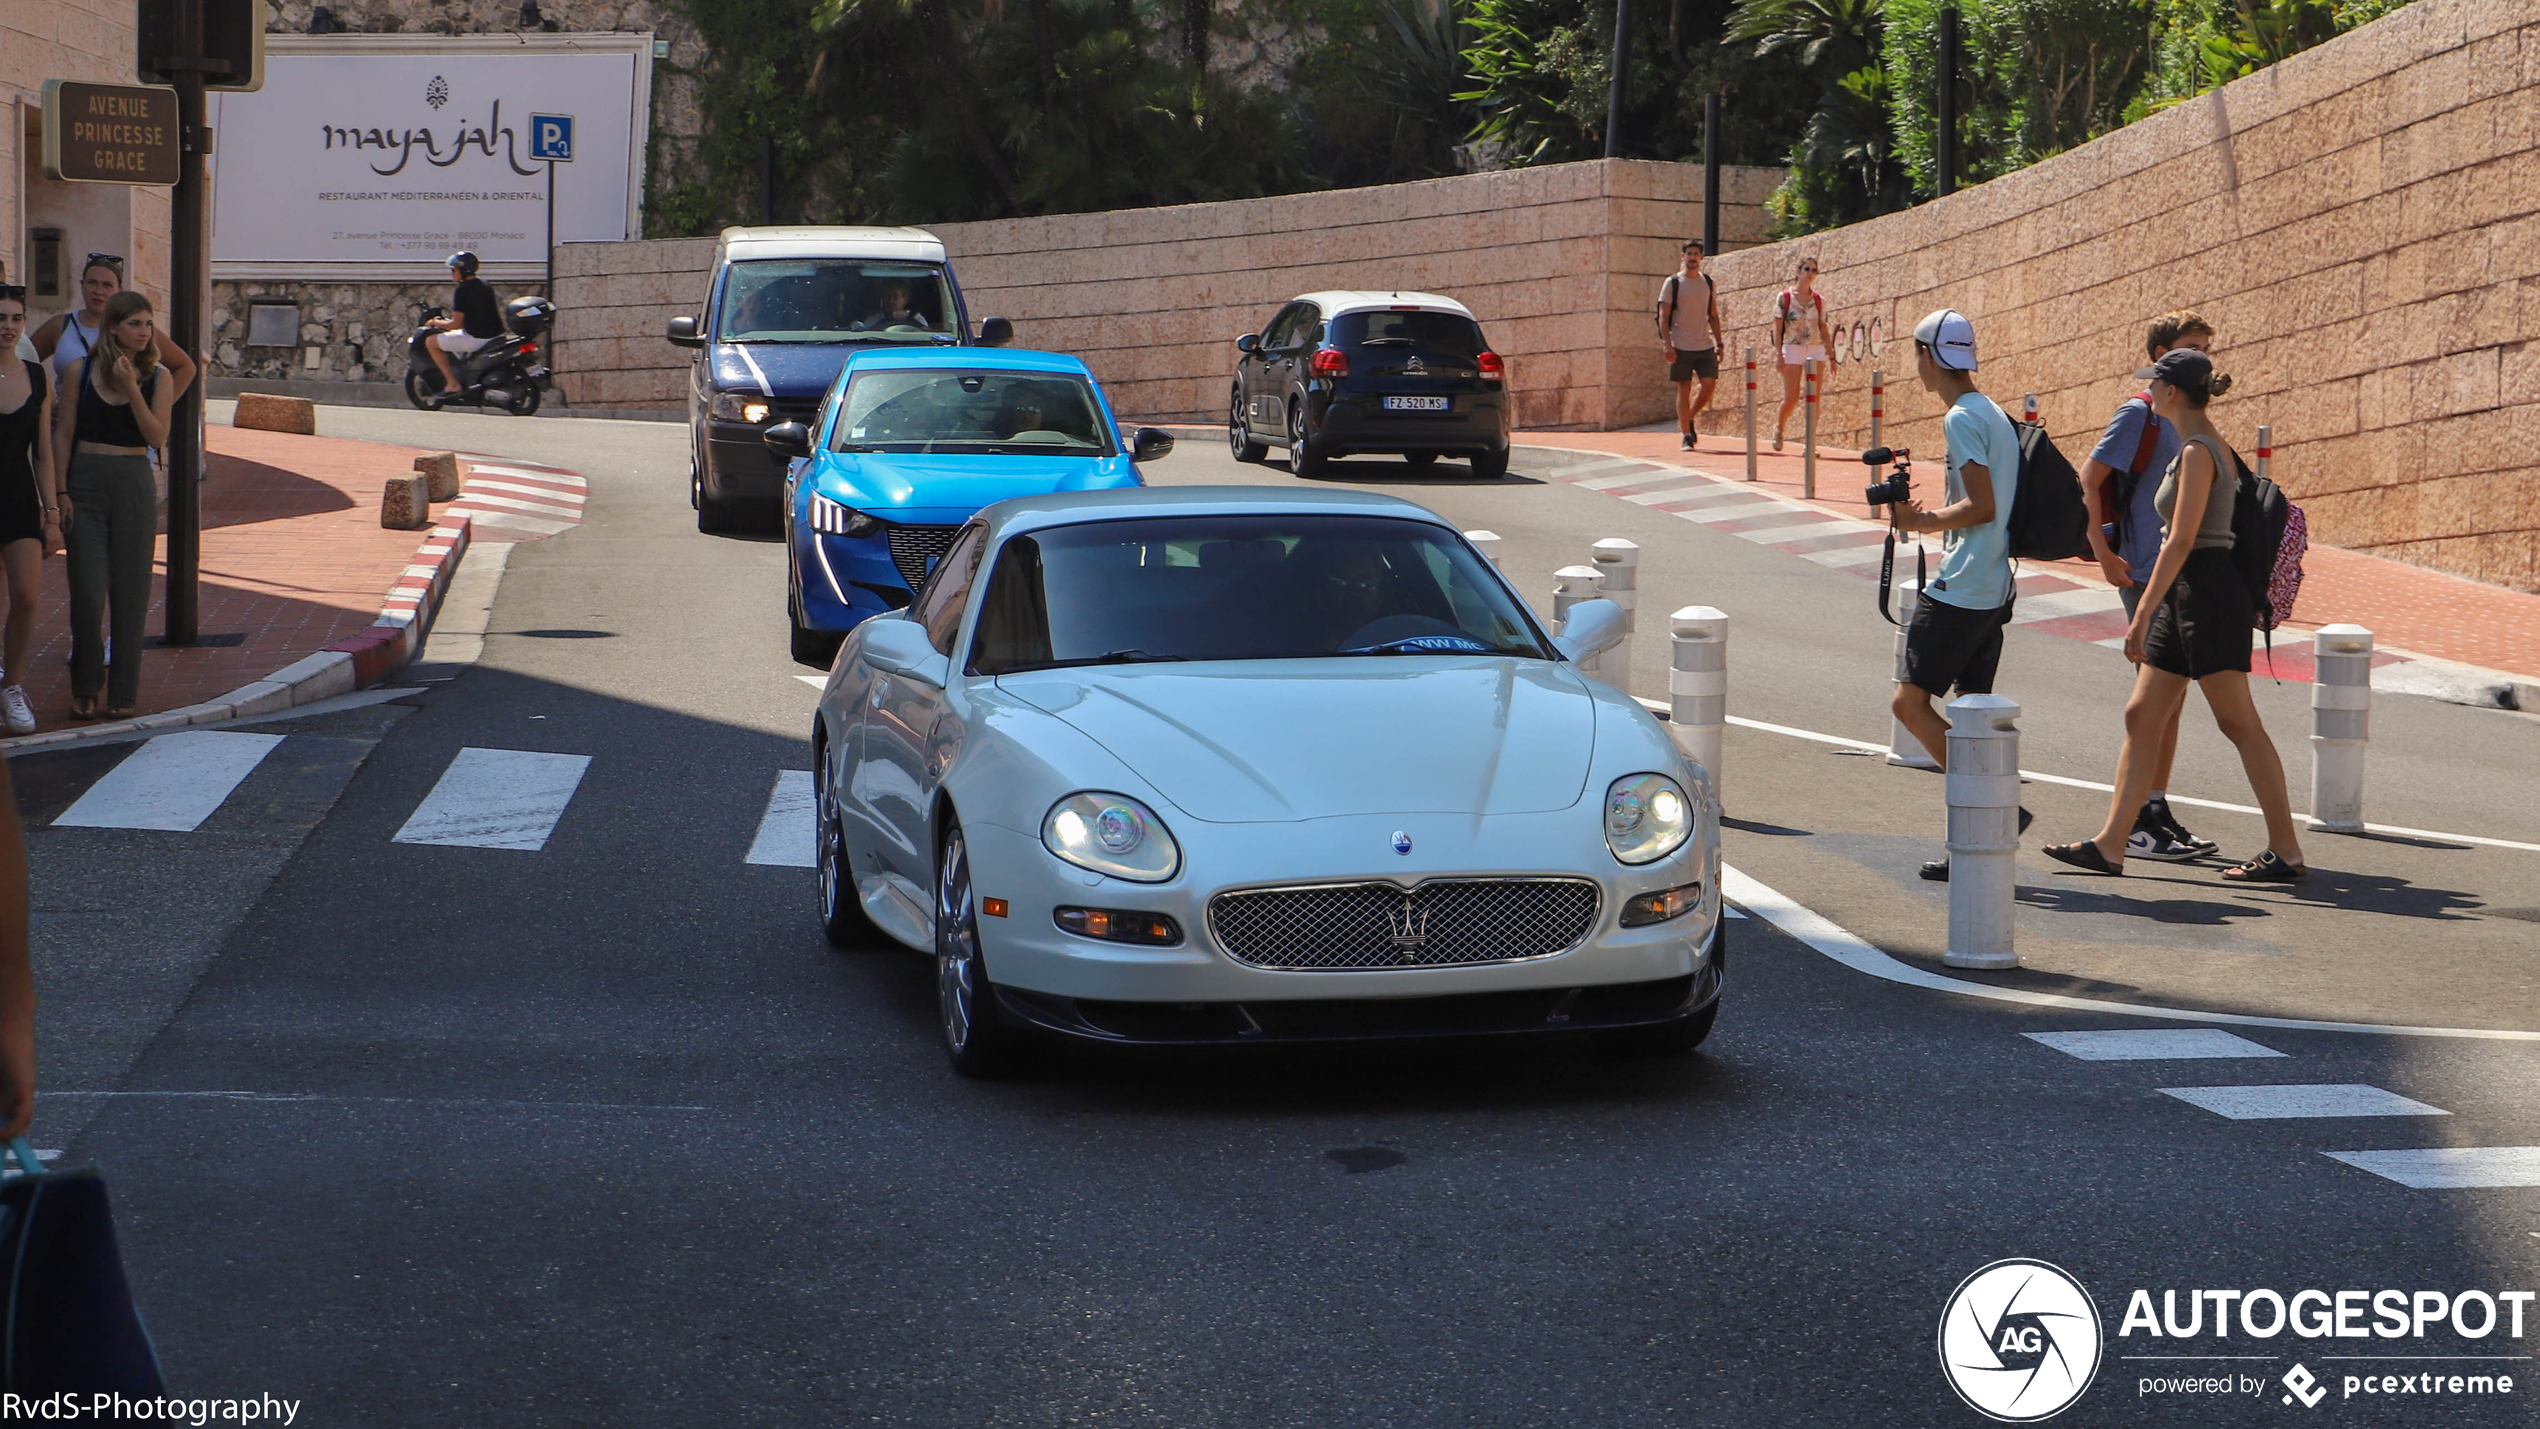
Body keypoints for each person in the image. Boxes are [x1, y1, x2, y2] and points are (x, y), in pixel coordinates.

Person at [2046, 350, 2306, 882]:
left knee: (2238, 722)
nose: (2149, 392)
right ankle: (2111, 844)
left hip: (2207, 594)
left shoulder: (2198, 451)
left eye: (2154, 385)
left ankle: (2287, 850)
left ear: (2170, 392)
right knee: (2142, 714)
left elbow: (2183, 539)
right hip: (2189, 594)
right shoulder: (2204, 444)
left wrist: (2141, 613)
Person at [2077, 311, 2219, 863]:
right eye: (2192, 347)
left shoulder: (2185, 414)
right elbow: (2089, 479)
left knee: (2171, 699)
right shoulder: (2141, 413)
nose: (2204, 356)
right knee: (2154, 699)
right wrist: (2104, 554)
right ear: (2162, 358)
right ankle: (2139, 821)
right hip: (2142, 568)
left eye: (2207, 348)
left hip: (2174, 571)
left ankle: (2153, 809)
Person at [1887, 310, 2023, 882]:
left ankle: (1995, 812)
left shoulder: (1962, 418)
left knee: (1909, 705)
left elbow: (1982, 505)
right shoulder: (1991, 410)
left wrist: (1921, 521)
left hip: (1963, 585)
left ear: (1927, 355)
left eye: (1915, 352)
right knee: (1969, 716)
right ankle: (1980, 831)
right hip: (1994, 585)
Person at [53, 290, 177, 721]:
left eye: (148, 324)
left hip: (133, 485)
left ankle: (123, 689)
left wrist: (132, 389)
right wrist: (60, 494)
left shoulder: (160, 376)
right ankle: (85, 683)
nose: (143, 333)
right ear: (112, 328)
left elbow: (155, 436)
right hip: (84, 483)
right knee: (86, 591)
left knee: (131, 591)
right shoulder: (79, 370)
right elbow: (63, 433)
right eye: (134, 324)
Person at [0, 288, 58, 735]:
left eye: (17, 318)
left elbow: (43, 453)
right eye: (1, 318)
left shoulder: (38, 378)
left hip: (19, 497)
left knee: (26, 596)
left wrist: (52, 513)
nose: (9, 326)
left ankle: (13, 687)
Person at [32, 254, 198, 401]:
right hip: (67, 418)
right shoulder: (61, 325)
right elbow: (22, 363)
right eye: (92, 283)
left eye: (107, 285)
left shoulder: (136, 329)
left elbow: (185, 367)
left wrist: (158, 409)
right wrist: (44, 403)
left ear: (119, 289)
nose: (98, 291)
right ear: (82, 286)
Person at [1655, 239, 1724, 451]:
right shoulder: (1673, 283)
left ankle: (1689, 417)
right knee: (1684, 387)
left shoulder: (1708, 283)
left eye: (1696, 254)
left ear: (1702, 258)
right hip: (1680, 345)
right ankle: (1686, 435)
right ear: (1682, 256)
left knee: (1709, 385)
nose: (1692, 258)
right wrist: (1668, 344)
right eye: (1689, 254)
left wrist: (1719, 343)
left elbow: (1713, 314)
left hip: (1704, 344)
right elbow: (1663, 316)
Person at [1772, 255, 1837, 450]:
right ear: (1798, 272)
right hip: (1792, 347)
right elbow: (1777, 327)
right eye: (1806, 269)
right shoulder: (1784, 297)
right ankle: (1779, 427)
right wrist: (1778, 355)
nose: (1810, 273)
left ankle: (1810, 443)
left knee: (1814, 397)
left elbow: (1823, 327)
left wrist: (1831, 355)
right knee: (1791, 398)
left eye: (1814, 270)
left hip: (1815, 348)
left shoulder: (1818, 300)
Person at [424, 250, 503, 397]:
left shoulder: (462, 291)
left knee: (431, 342)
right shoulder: (484, 284)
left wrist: (436, 322)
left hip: (476, 338)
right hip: (495, 335)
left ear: (462, 271)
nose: (451, 273)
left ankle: (452, 384)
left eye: (454, 270)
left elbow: (455, 325)